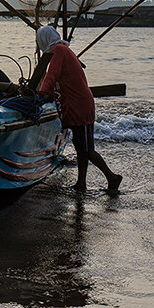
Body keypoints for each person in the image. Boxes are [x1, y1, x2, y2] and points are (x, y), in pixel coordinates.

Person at [32, 24, 122, 193]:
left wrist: (41, 94)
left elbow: (52, 75)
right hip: (73, 107)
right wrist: (45, 95)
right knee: (80, 147)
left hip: (81, 108)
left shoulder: (60, 51)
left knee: (87, 149)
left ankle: (112, 177)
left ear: (43, 40)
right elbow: (58, 82)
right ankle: (81, 183)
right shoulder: (63, 50)